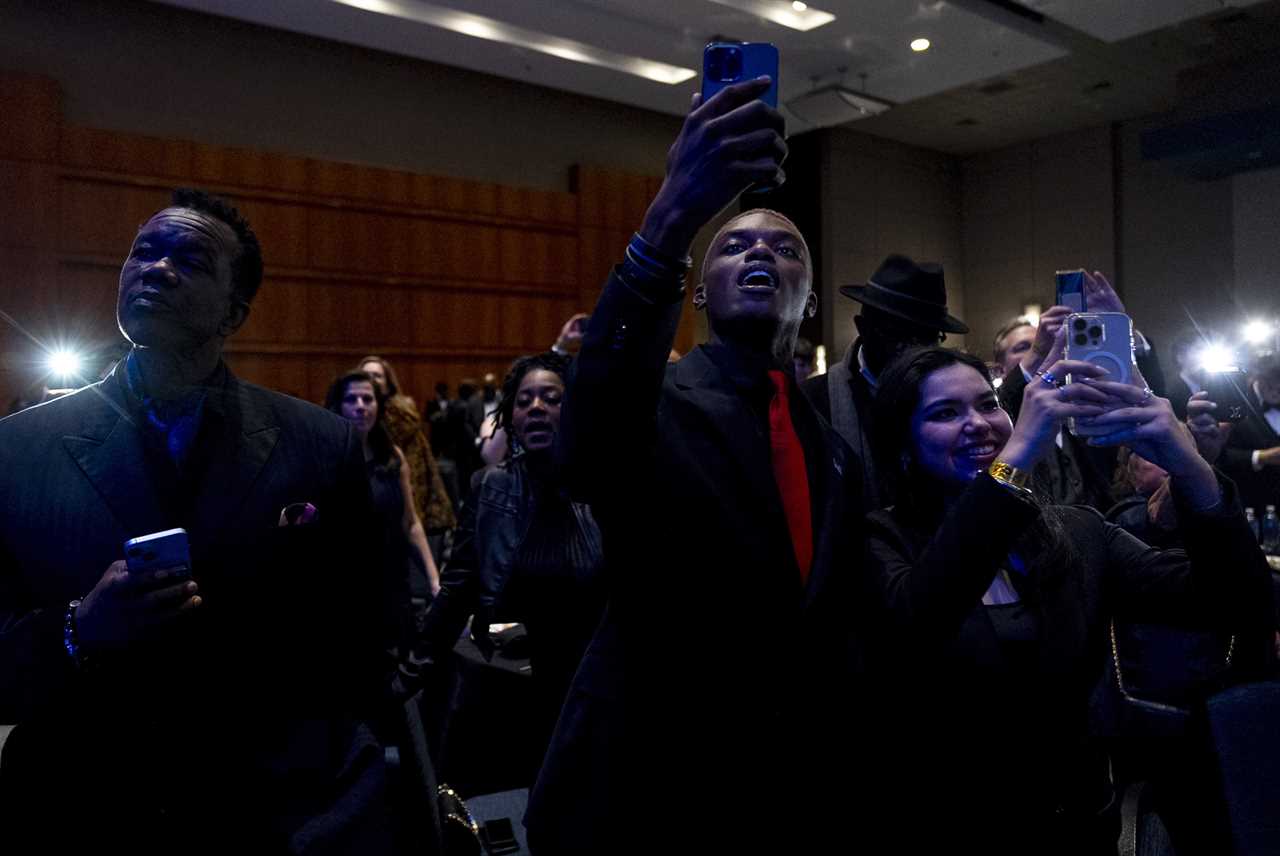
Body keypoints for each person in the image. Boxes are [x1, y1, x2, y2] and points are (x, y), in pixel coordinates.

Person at [526, 76, 867, 853]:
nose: (761, 253)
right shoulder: (654, 401)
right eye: (737, 244)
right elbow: (586, 446)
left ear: (808, 299)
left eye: (786, 249)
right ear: (701, 297)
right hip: (651, 786)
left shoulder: (837, 453)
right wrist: (672, 217)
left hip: (784, 792)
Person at [0, 189, 390, 852]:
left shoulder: (320, 445)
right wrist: (78, 629)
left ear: (234, 311)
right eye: (143, 252)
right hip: (81, 806)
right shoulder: (18, 448)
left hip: (268, 815)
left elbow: (358, 643)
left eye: (189, 260)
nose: (154, 269)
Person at [863, 339, 1274, 854]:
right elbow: (922, 617)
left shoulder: (1076, 532)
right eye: (946, 413)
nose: (979, 423)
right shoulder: (879, 541)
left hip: (1078, 827)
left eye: (988, 404)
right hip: (947, 827)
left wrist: (1190, 466)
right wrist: (1013, 465)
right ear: (902, 444)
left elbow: (1236, 601)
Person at [421, 351, 606, 778]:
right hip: (507, 674)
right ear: (510, 415)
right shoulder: (490, 485)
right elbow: (458, 588)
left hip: (586, 679)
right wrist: (412, 672)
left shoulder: (606, 486)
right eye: (524, 401)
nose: (536, 408)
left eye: (551, 398)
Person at [802, 253, 968, 512]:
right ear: (863, 328)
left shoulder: (955, 401)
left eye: (926, 337)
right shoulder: (812, 401)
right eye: (897, 334)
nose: (912, 350)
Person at [326, 371, 440, 648]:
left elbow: (411, 523)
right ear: (338, 406)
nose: (361, 406)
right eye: (351, 399)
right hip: (345, 586)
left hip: (391, 581)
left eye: (368, 399)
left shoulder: (393, 456)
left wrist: (434, 579)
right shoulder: (326, 457)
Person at [359, 355, 457, 548]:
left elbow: (416, 475)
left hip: (402, 506)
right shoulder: (355, 419)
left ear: (388, 384)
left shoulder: (404, 420)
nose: (371, 379)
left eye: (377, 375)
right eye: (366, 374)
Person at [1215, 352, 1280, 510]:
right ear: (1259, 378)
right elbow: (1219, 457)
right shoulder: (1233, 402)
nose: (1277, 393)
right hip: (1252, 501)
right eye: (1272, 386)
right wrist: (1261, 457)